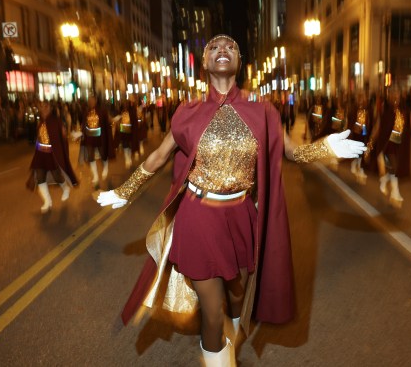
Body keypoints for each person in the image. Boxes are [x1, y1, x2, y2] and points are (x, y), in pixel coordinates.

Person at [96, 35, 366, 366]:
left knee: (238, 295)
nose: (222, 50)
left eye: (231, 47)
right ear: (205, 64)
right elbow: (159, 156)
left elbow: (291, 151)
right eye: (214, 47)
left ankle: (234, 333)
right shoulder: (188, 112)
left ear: (240, 62)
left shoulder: (263, 111)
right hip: (198, 219)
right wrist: (124, 191)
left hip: (242, 217)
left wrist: (325, 147)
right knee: (213, 312)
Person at [26, 101, 78, 213]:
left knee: (57, 175)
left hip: (52, 153)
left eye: (45, 107)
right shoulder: (40, 122)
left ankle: (65, 188)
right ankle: (47, 201)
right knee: (40, 177)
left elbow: (63, 138)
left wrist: (62, 152)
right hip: (40, 153)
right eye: (41, 107)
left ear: (49, 108)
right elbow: (38, 138)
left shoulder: (56, 121)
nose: (43, 109)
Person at [365, 87, 411, 208]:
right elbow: (376, 129)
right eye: (392, 95)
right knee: (393, 168)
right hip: (386, 146)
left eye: (397, 94)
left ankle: (384, 181)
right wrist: (369, 147)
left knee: (393, 169)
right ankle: (395, 193)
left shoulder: (404, 110)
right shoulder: (384, 112)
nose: (395, 97)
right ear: (389, 97)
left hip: (398, 146)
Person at [80, 94, 115, 188]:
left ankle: (105, 168)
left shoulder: (102, 110)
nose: (90, 102)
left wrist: (111, 120)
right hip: (89, 138)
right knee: (90, 156)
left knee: (103, 154)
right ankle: (95, 176)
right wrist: (81, 133)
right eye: (89, 100)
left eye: (92, 100)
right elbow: (84, 124)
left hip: (100, 137)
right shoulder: (86, 111)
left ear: (95, 100)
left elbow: (108, 121)